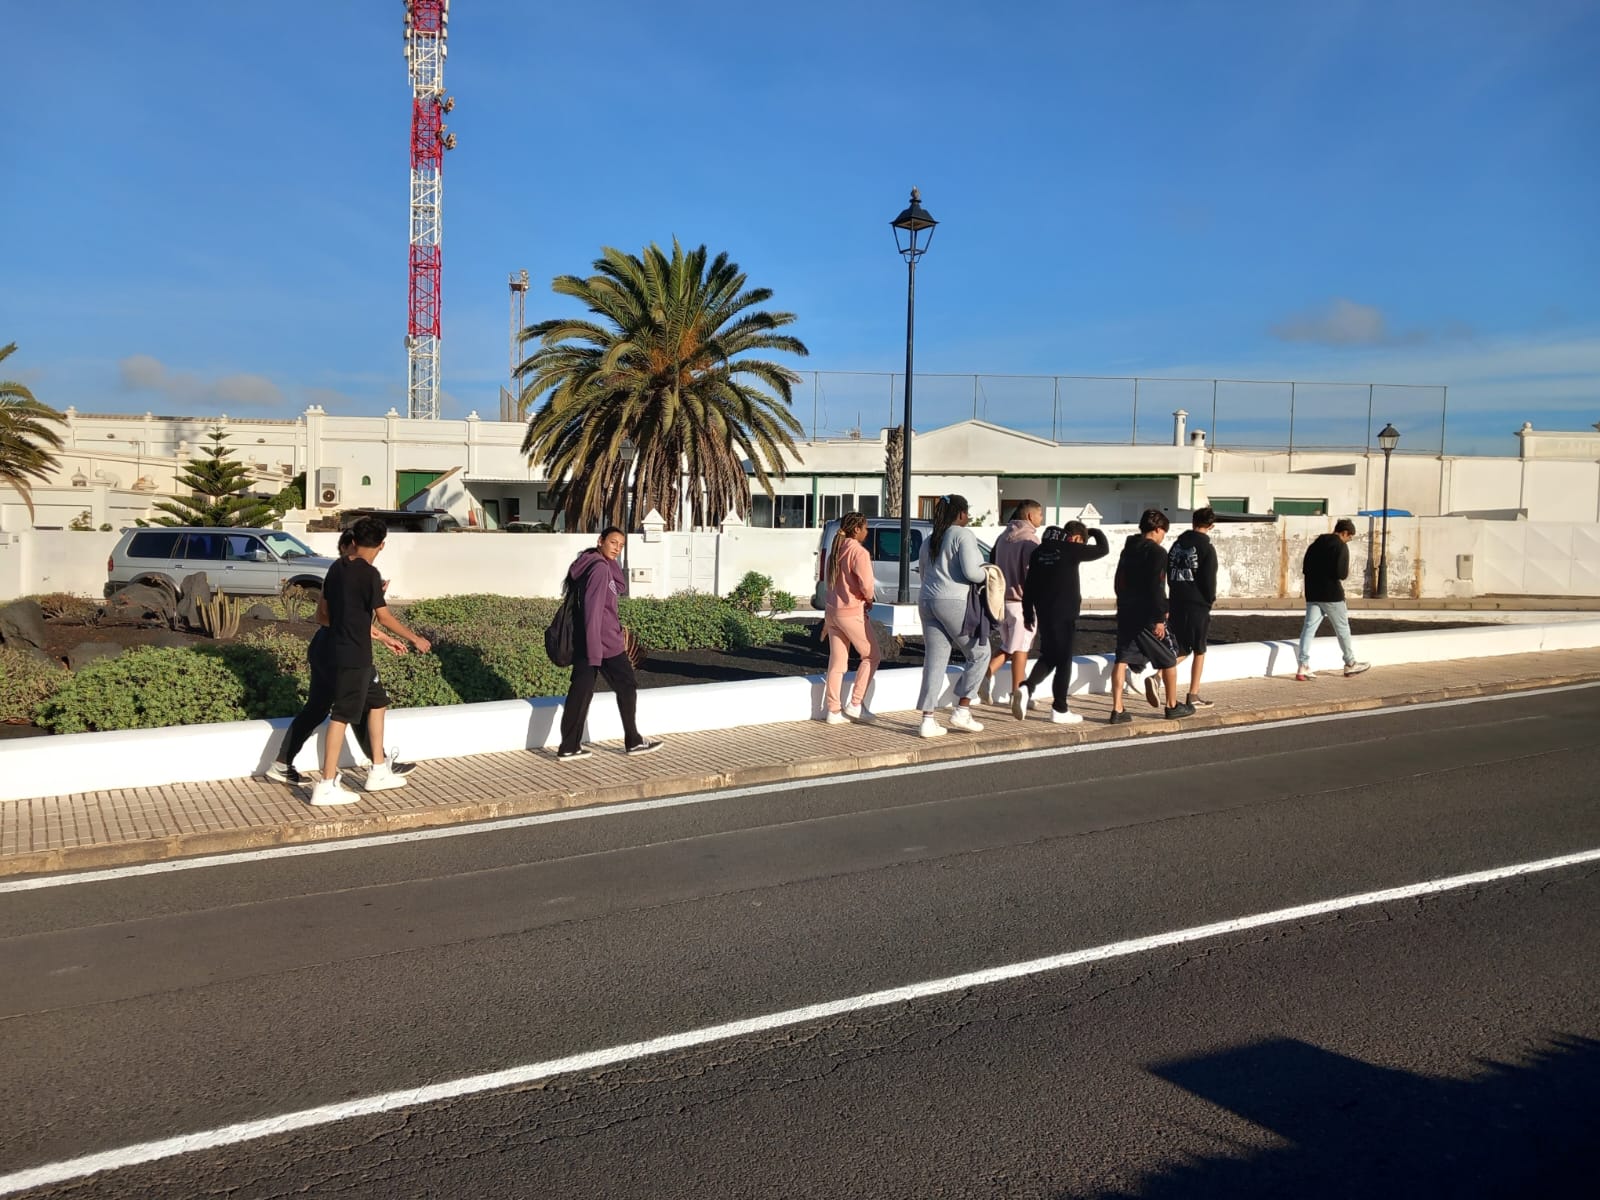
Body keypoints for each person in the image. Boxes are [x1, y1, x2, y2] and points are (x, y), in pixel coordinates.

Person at [262, 530, 415, 787]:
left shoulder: (343, 574)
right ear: (348, 548)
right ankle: (375, 766)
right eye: (350, 551)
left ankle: (282, 763)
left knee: (326, 707)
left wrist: (381, 636)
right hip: (342, 650)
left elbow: (345, 620)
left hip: (328, 648)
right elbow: (328, 618)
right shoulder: (347, 576)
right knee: (357, 707)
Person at [309, 517, 432, 804]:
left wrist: (378, 636)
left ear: (353, 541)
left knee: (378, 703)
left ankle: (378, 770)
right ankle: (326, 784)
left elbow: (323, 616)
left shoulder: (336, 568)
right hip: (354, 655)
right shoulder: (370, 575)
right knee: (341, 716)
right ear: (382, 544)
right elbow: (385, 616)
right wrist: (415, 639)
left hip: (340, 650)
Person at [557, 527, 664, 760]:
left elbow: (618, 587)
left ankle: (569, 746)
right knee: (627, 685)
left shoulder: (591, 564)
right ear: (600, 541)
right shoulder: (599, 569)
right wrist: (595, 649)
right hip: (602, 643)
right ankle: (633, 741)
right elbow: (593, 611)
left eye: (621, 545)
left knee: (581, 692)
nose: (617, 548)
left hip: (590, 641)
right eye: (613, 542)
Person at [915, 494, 991, 738]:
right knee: (981, 652)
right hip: (953, 600)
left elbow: (923, 572)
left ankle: (927, 720)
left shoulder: (929, 540)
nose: (967, 518)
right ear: (960, 514)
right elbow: (972, 572)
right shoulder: (962, 535)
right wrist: (989, 573)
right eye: (966, 513)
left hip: (926, 600)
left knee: (935, 659)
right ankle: (962, 709)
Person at [1109, 508, 1192, 724]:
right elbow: (1157, 586)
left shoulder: (1127, 550)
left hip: (1126, 611)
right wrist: (1159, 618)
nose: (1164, 536)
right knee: (1169, 658)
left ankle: (1117, 709)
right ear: (1157, 530)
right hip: (1146, 615)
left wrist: (1123, 602)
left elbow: (1118, 581)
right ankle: (1172, 705)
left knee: (1122, 659)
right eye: (1164, 532)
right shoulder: (1157, 553)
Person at [1020, 521, 1109, 723]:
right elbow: (1103, 549)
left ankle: (1026, 687)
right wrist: (1093, 531)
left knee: (1049, 656)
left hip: (1043, 614)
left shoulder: (1038, 553)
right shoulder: (1071, 549)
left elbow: (1029, 586)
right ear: (1076, 538)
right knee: (1064, 661)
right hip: (1065, 614)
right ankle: (1059, 708)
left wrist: (1028, 614)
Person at [980, 500, 1044, 718]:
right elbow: (1033, 574)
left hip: (1001, 602)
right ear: (1029, 516)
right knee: (1020, 649)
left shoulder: (1002, 538)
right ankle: (1017, 692)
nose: (1041, 519)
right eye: (1040, 514)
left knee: (1010, 645)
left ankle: (996, 680)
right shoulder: (1030, 540)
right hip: (1021, 603)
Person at [821, 512, 881, 724]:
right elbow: (866, 584)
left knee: (837, 663)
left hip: (832, 612)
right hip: (852, 612)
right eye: (865, 528)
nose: (867, 532)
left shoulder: (835, 551)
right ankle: (856, 703)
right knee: (872, 655)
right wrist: (869, 599)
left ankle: (833, 710)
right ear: (857, 529)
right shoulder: (859, 552)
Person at [1297, 517, 1371, 681]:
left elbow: (1305, 569)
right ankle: (1350, 664)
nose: (1349, 540)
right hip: (1332, 596)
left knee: (1308, 630)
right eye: (1350, 536)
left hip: (1313, 594)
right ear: (1344, 533)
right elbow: (1342, 574)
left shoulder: (1315, 544)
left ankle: (1303, 666)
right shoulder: (1340, 546)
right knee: (1342, 629)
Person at [1167, 507, 1219, 708]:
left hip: (1177, 601)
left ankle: (1157, 677)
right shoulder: (1207, 549)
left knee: (1181, 646)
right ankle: (1193, 694)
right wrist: (1209, 600)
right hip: (1197, 604)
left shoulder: (1176, 545)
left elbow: (1168, 571)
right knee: (1199, 649)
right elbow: (1208, 579)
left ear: (1193, 522)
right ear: (1211, 526)